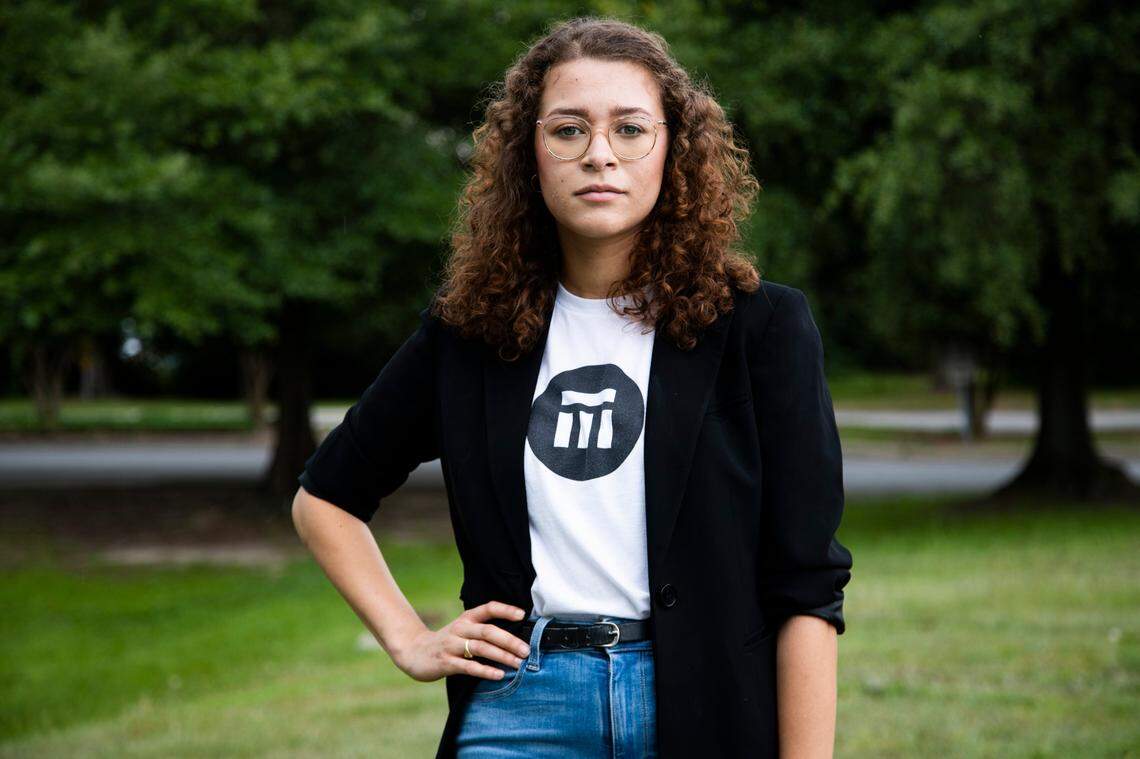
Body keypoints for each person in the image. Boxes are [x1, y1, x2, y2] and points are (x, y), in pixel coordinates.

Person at [292, 16, 852, 759]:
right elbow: (325, 498)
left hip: (706, 705)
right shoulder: (469, 334)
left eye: (630, 129)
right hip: (520, 709)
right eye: (568, 130)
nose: (599, 155)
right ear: (529, 154)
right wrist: (409, 637)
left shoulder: (761, 328)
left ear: (674, 150)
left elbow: (806, 587)